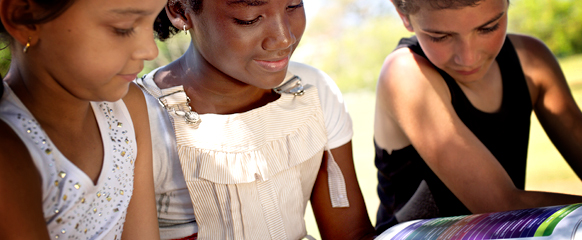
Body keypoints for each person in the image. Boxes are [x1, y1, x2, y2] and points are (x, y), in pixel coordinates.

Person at [136, 0, 377, 239]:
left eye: (293, 6)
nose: (284, 38)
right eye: (249, 19)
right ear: (181, 12)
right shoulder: (141, 119)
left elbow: (351, 233)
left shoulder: (312, 91)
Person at [373, 0, 582, 233]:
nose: (468, 57)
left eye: (488, 28)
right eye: (440, 37)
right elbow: (500, 205)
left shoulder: (531, 61)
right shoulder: (404, 73)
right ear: (403, 13)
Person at [0, 0, 166, 239]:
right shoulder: (10, 154)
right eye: (124, 27)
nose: (151, 50)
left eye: (154, 21)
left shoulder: (127, 109)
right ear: (25, 19)